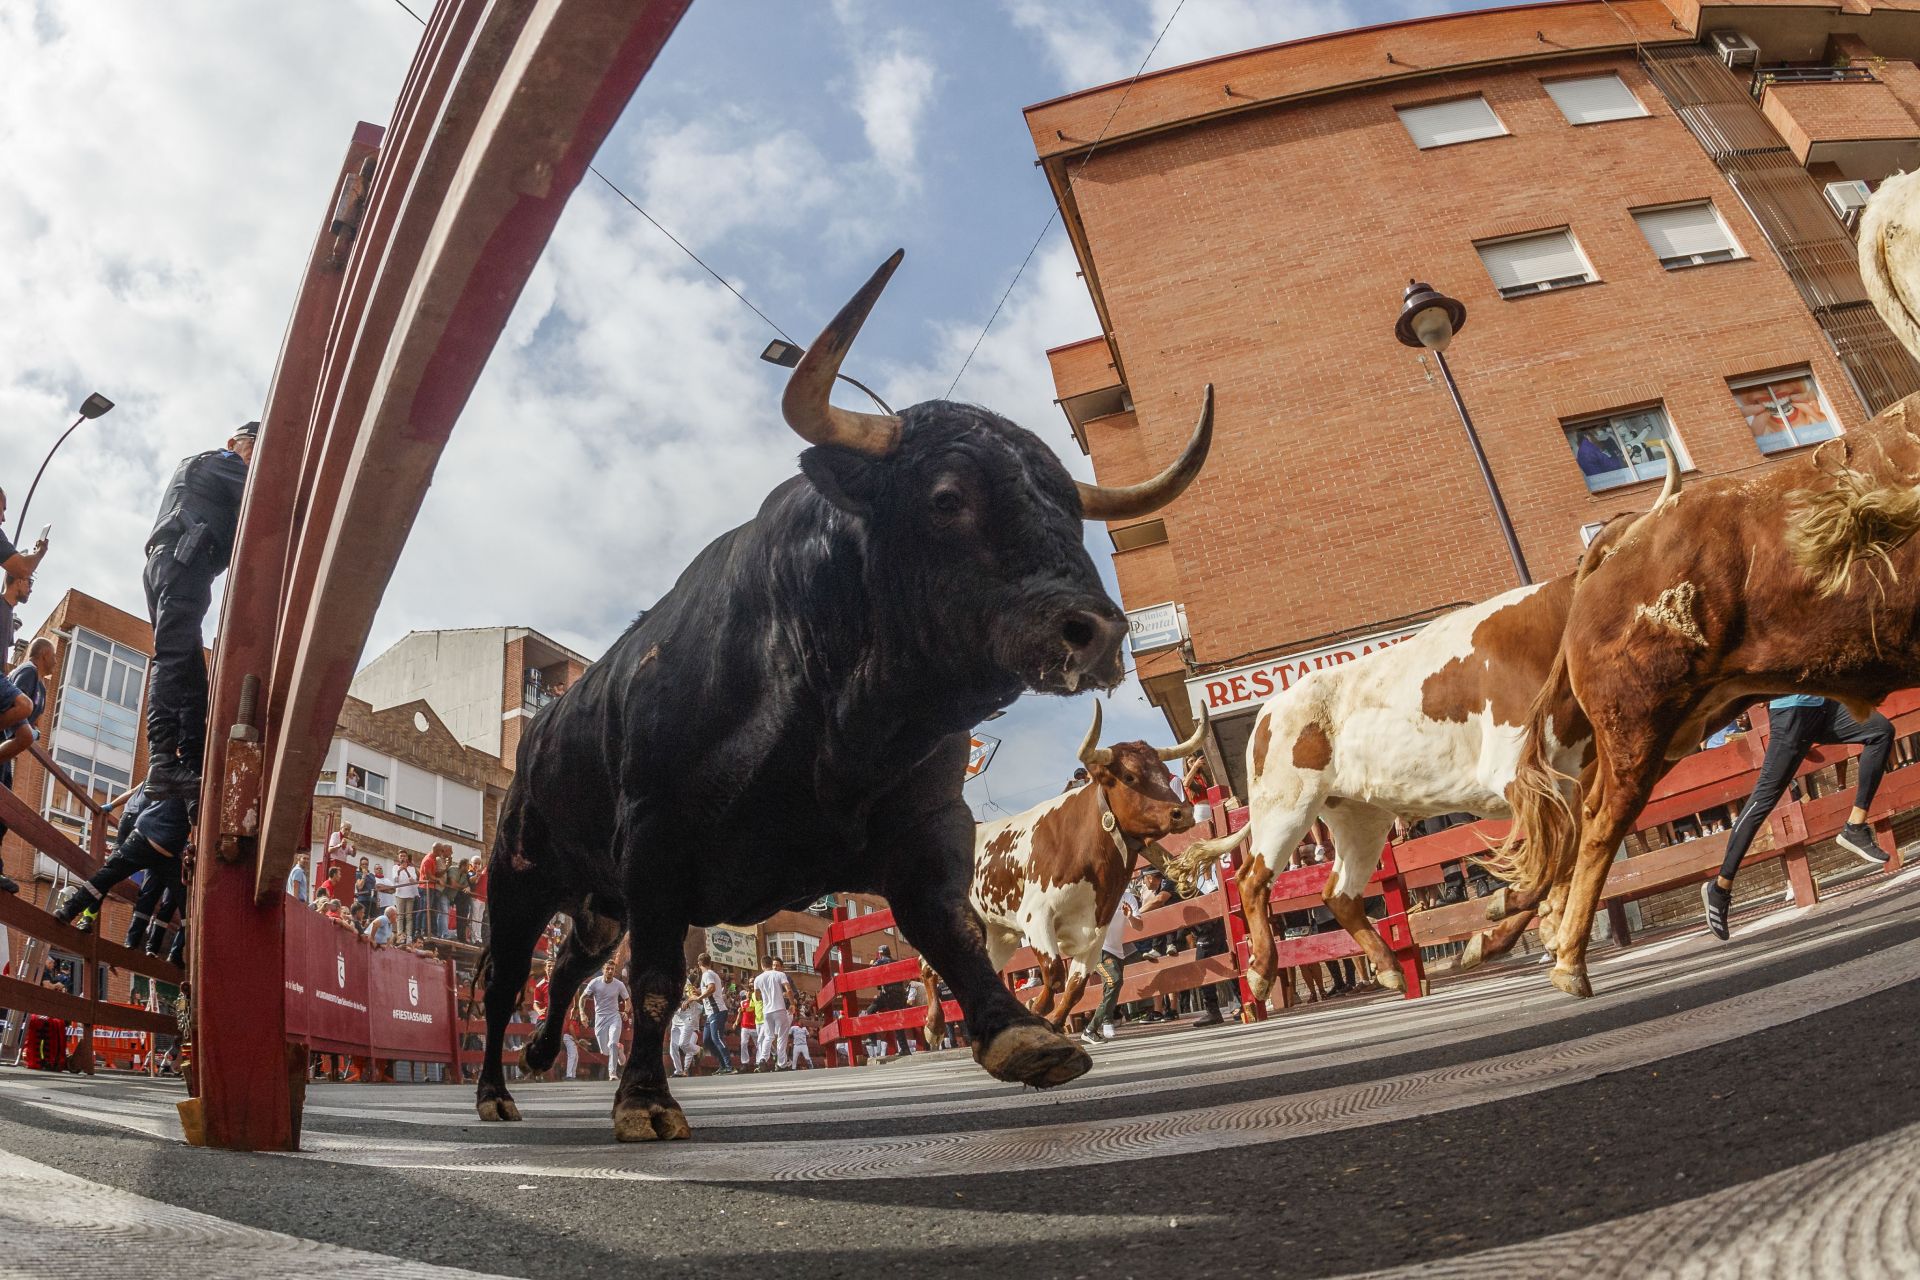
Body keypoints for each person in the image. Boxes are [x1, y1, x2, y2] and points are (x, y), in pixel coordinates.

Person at [1702, 695, 1895, 939]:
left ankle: (1854, 826)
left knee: (1880, 731)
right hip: (1790, 714)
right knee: (1763, 800)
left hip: (1824, 706)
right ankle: (1720, 887)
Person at [141, 421, 256, 798]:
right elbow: (264, 498)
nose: (258, 460)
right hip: (184, 562)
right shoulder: (224, 462)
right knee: (174, 661)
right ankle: (162, 761)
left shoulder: (200, 470)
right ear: (233, 443)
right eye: (255, 448)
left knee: (191, 678)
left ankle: (189, 772)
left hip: (171, 565)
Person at [50, 787, 190, 940]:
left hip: (164, 849)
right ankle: (72, 911)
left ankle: (75, 912)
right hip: (147, 839)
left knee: (185, 899)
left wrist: (112, 805)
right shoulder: (175, 775)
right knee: (109, 874)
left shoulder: (173, 776)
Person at [0, 634, 56, 889]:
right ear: (44, 654)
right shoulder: (27, 672)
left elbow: (35, 723)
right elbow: (13, 707)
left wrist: (33, 731)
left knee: (3, 813)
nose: (55, 660)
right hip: (4, 741)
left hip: (9, 753)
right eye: (54, 655)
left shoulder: (42, 687)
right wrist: (26, 731)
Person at [1082, 880, 1142, 1046]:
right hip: (1097, 949)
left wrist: (1130, 917)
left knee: (1110, 986)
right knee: (1115, 980)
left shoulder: (1129, 898)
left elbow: (1140, 926)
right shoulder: (1096, 896)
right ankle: (1090, 1029)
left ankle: (1107, 1020)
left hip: (1117, 951)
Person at [0, 573, 41, 773]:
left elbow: (3, 656)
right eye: (29, 582)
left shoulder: (9, 613)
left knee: (25, 736)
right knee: (25, 704)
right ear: (18, 581)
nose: (31, 589)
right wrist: (39, 554)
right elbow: (22, 565)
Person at [579, 960, 630, 1079]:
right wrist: (582, 1013)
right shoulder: (595, 983)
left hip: (614, 1017)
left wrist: (626, 1012)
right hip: (600, 1018)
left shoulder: (619, 984)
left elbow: (627, 999)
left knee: (612, 1043)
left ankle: (612, 1073)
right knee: (605, 1051)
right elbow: (583, 998)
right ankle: (619, 1048)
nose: (610, 971)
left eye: (612, 969)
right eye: (608, 969)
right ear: (603, 970)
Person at [752, 955, 796, 1071]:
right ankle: (781, 1063)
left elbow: (756, 996)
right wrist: (792, 1004)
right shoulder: (780, 975)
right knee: (781, 1037)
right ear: (771, 964)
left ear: (762, 965)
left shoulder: (758, 979)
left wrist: (764, 997)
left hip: (767, 1011)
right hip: (780, 1009)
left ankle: (763, 1058)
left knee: (769, 1036)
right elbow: (789, 990)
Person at [694, 952, 735, 1074]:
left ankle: (729, 1066)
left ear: (699, 963)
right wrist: (697, 992)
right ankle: (723, 1065)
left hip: (716, 1010)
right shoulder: (710, 974)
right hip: (710, 1012)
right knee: (707, 1041)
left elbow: (711, 988)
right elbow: (708, 989)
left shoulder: (707, 974)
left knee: (716, 1038)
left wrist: (699, 997)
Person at [669, 968, 703, 1077]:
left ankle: (698, 1050)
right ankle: (679, 1071)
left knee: (683, 1044)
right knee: (673, 1047)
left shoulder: (686, 983)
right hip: (675, 1018)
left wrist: (687, 1001)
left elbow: (694, 996)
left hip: (687, 1018)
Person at [391, 850, 420, 941]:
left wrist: (406, 870)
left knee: (409, 916)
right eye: (401, 856)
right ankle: (400, 935)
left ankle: (409, 936)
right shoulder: (395, 867)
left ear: (407, 858)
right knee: (400, 916)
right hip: (399, 894)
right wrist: (400, 870)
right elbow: (395, 880)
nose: (402, 858)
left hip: (410, 894)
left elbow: (413, 880)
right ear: (398, 858)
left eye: (404, 856)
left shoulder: (411, 868)